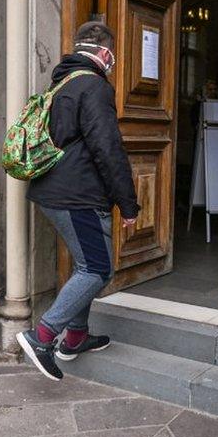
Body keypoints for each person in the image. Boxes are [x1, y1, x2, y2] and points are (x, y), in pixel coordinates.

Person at [18, 22, 140, 381]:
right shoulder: (94, 86)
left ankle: (76, 337)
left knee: (85, 265)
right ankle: (42, 337)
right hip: (79, 196)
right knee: (98, 270)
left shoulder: (61, 84)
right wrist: (128, 205)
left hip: (52, 193)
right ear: (105, 53)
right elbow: (108, 149)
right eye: (112, 56)